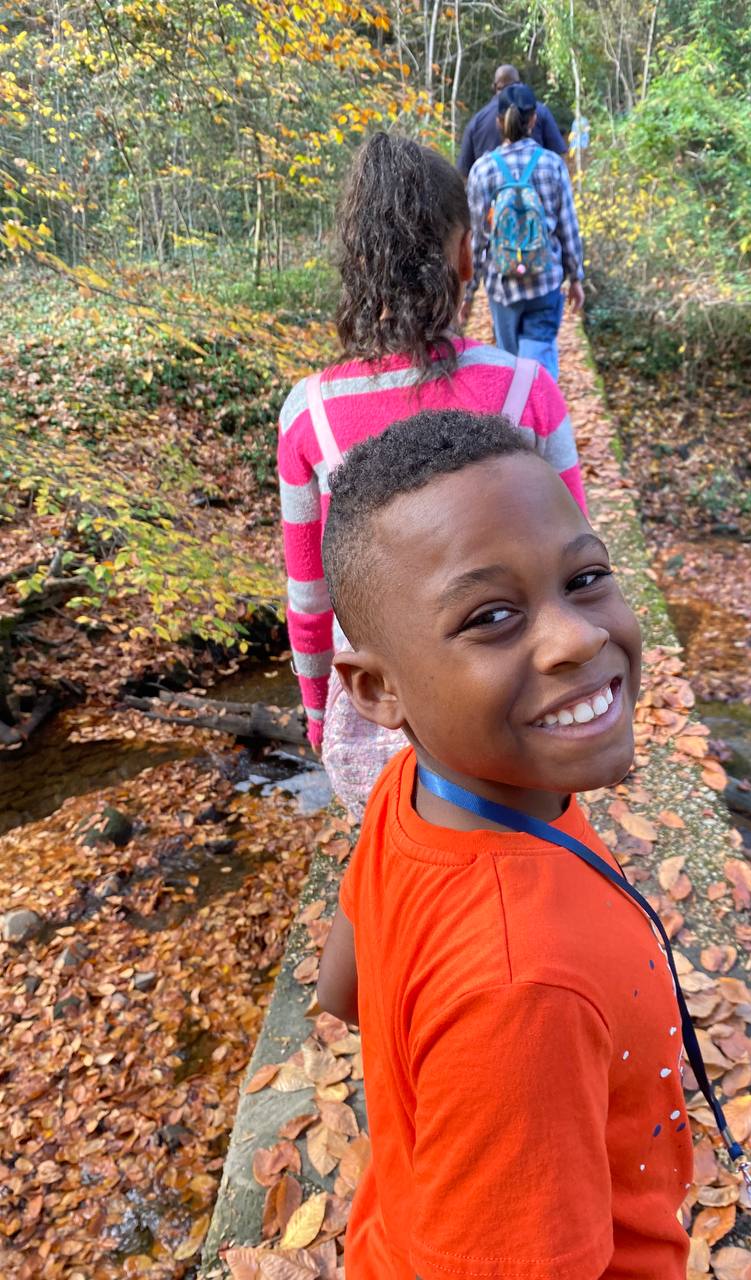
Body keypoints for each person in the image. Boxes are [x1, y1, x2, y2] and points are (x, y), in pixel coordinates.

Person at [314, 409, 693, 1279]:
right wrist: (509, 1058)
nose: (579, 636)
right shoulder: (525, 994)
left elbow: (345, 991)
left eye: (586, 578)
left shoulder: (412, 790)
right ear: (377, 690)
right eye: (491, 616)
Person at [277, 132, 586, 820]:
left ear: (356, 262)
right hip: (514, 704)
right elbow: (574, 564)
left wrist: (320, 714)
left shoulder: (309, 413)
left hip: (384, 718)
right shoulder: (526, 390)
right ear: (467, 254)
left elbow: (310, 598)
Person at [462, 83, 585, 382]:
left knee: (511, 369)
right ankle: (542, 405)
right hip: (545, 282)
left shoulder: (483, 170)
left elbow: (476, 239)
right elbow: (568, 227)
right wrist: (575, 277)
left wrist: (468, 292)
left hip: (503, 287)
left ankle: (518, 407)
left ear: (498, 121)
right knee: (539, 374)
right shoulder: (553, 165)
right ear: (533, 120)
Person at [456, 63, 567, 178]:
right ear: (533, 120)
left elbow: (463, 174)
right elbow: (559, 156)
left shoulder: (477, 121)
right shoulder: (539, 111)